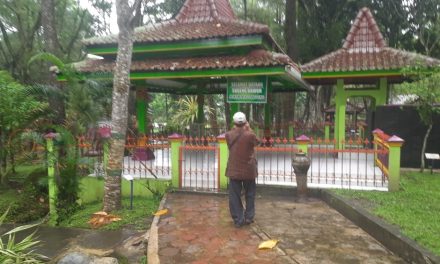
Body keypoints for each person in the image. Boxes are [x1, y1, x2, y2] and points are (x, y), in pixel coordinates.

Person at [225, 112, 258, 228]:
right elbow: (256, 142)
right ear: (245, 122)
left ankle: (238, 219)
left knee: (234, 195)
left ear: (234, 122)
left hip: (234, 170)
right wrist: (249, 129)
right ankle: (249, 217)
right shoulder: (250, 135)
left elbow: (230, 146)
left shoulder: (228, 135)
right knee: (250, 194)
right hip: (249, 170)